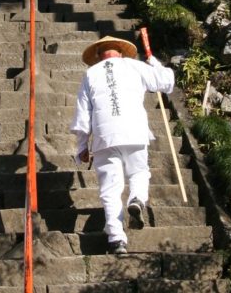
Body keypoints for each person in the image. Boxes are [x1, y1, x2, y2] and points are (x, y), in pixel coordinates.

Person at [69, 35, 175, 255]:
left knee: (110, 189)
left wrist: (82, 147)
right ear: (120, 51)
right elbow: (166, 82)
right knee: (139, 172)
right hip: (134, 131)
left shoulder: (90, 74)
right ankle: (137, 198)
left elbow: (82, 115)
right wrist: (154, 63)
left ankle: (117, 239)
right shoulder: (134, 66)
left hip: (104, 137)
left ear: (99, 55)